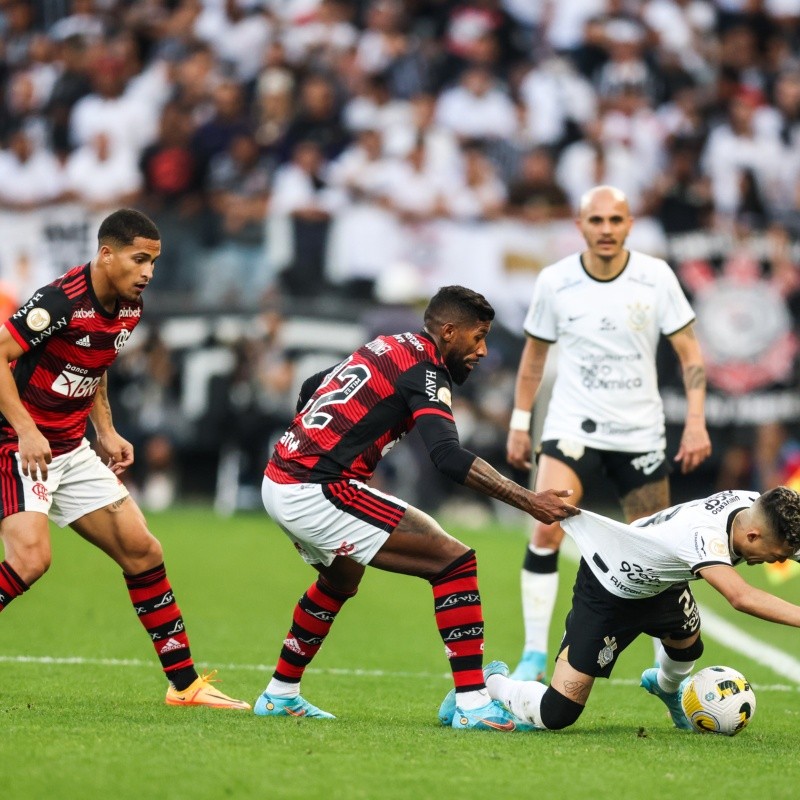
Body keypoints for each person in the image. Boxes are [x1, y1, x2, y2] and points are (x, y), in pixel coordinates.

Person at [257, 285, 580, 729]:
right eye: (477, 337)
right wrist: (527, 499)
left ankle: (280, 694)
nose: (483, 350)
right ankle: (471, 702)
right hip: (316, 488)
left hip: (282, 475)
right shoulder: (426, 369)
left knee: (341, 577)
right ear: (448, 331)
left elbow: (315, 385)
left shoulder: (388, 344)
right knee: (454, 563)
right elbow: (446, 456)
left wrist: (318, 446)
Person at [0, 208, 250, 710]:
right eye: (139, 260)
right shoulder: (59, 300)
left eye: (154, 262)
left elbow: (93, 363)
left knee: (144, 552)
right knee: (31, 560)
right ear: (106, 254)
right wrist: (26, 429)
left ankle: (185, 687)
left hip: (70, 447)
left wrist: (106, 430)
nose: (148, 273)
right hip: (18, 441)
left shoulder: (130, 308)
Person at [506, 184, 712, 681]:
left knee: (661, 557)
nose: (605, 229)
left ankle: (665, 676)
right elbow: (534, 359)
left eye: (614, 221)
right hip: (572, 424)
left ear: (629, 225)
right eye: (595, 221)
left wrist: (698, 421)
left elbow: (690, 353)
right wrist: (519, 421)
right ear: (579, 225)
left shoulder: (655, 277)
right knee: (545, 524)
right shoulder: (555, 281)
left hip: (639, 432)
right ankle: (534, 652)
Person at [437, 485, 800, 732]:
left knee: (688, 642)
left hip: (659, 581)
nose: (776, 562)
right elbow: (741, 597)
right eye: (777, 557)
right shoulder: (704, 538)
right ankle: (492, 682)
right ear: (752, 537)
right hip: (609, 586)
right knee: (557, 714)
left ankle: (666, 687)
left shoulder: (757, 507)